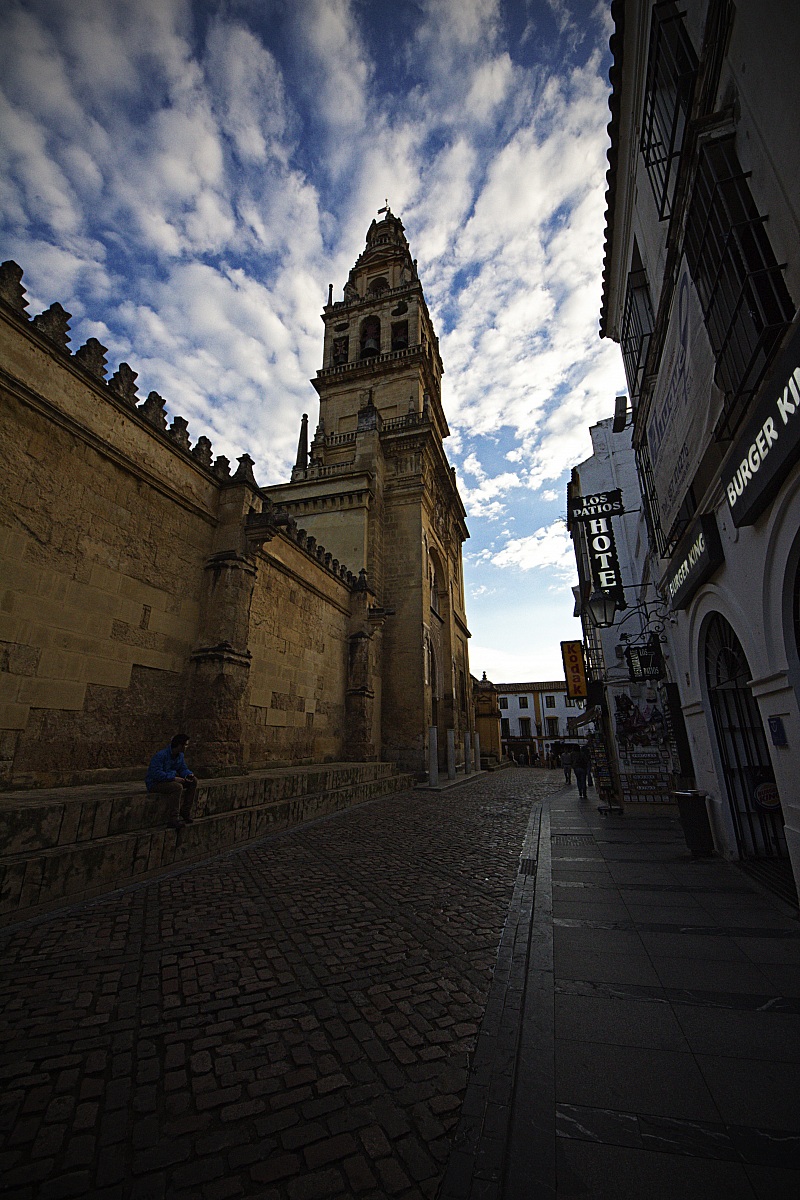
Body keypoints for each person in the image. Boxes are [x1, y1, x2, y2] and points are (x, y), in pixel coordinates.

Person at [146, 734, 197, 829]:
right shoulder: (161, 756)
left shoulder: (179, 756)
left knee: (193, 781)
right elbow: (155, 773)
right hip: (155, 783)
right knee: (177, 787)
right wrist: (173, 778)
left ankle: (185, 811)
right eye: (185, 745)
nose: (186, 747)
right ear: (179, 745)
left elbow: (182, 768)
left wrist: (188, 774)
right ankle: (173, 819)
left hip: (169, 779)